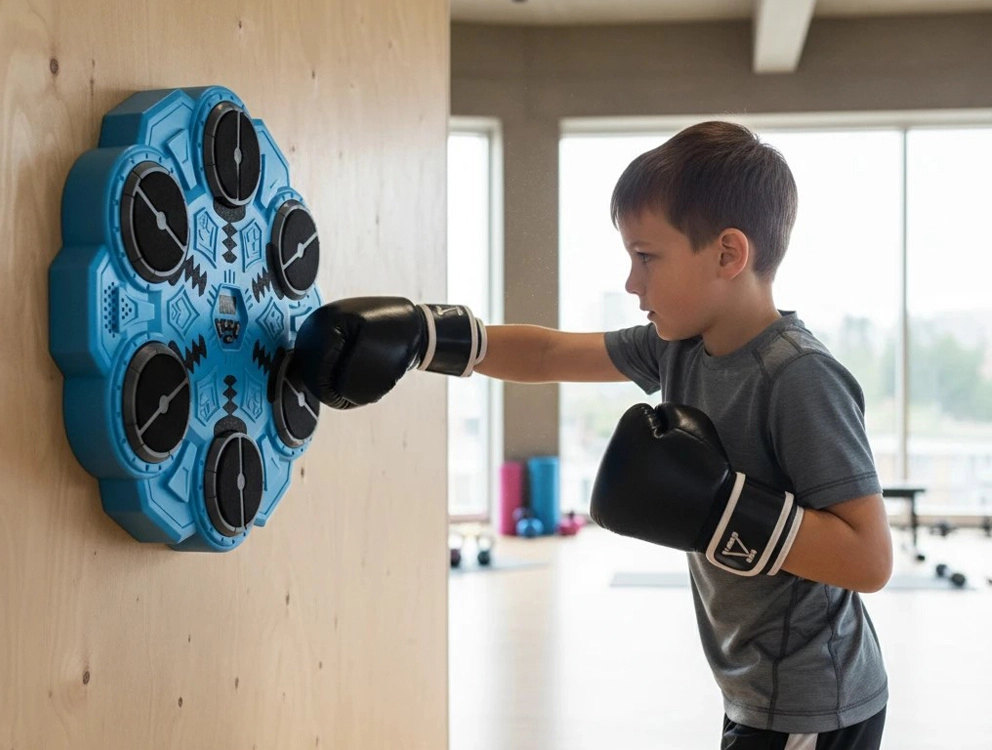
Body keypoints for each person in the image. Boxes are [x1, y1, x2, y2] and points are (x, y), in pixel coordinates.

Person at [292, 120, 892, 749]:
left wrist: (720, 509)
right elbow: (550, 353)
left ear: (727, 255)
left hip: (815, 701)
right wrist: (425, 334)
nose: (632, 282)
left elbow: (870, 559)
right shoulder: (679, 347)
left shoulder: (799, 378)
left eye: (646, 257)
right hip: (757, 687)